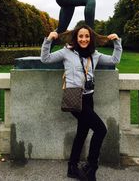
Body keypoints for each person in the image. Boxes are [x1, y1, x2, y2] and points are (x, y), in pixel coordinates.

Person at [40, 24, 122, 181]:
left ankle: (72, 167)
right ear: (76, 38)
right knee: (101, 130)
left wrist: (116, 42)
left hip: (89, 97)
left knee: (82, 133)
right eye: (80, 36)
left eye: (87, 36)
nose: (84, 39)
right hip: (75, 98)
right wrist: (48, 40)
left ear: (90, 38)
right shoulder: (67, 52)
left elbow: (114, 60)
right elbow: (45, 59)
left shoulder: (94, 54)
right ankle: (92, 167)